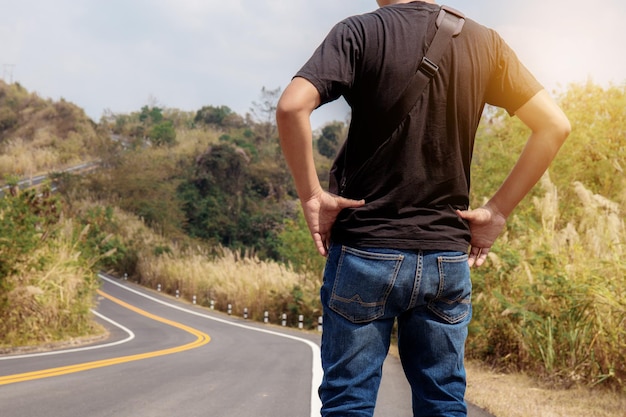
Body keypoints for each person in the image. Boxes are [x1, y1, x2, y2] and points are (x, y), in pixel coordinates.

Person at [276, 1, 571, 416]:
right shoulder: (486, 43)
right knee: (443, 402)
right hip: (445, 257)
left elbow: (291, 106)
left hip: (365, 249)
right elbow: (554, 125)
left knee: (349, 402)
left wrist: (311, 196)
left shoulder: (359, 32)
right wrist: (497, 211)